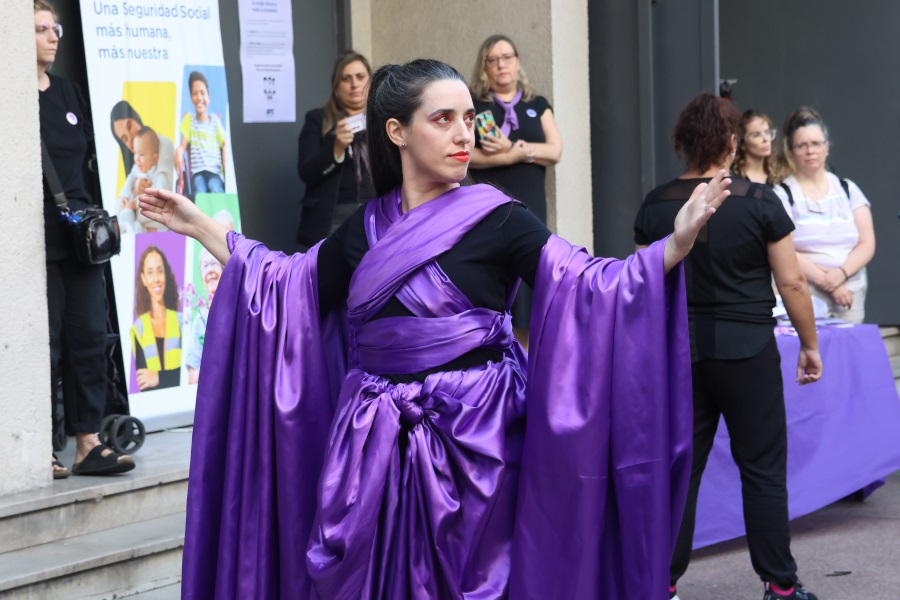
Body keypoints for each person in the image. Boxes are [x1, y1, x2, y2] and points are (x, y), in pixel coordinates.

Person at [140, 59, 731, 599]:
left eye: (468, 118)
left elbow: (590, 285)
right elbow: (286, 286)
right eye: (443, 119)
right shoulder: (363, 229)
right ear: (397, 132)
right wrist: (201, 228)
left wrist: (673, 246)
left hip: (479, 440)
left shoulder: (501, 218)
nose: (462, 134)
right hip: (371, 447)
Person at [633, 93, 823, 600]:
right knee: (762, 469)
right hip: (749, 350)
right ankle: (780, 585)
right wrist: (810, 345)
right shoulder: (761, 202)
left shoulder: (654, 204)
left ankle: (660, 583)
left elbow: (641, 286)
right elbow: (794, 285)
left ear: (683, 144)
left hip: (679, 355)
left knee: (681, 472)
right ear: (732, 142)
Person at [35, 0, 135, 477]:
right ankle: (40, 449)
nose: (54, 36)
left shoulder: (70, 95)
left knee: (90, 338)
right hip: (35, 242)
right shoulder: (13, 99)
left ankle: (88, 443)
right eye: (40, 30)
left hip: (80, 242)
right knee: (46, 346)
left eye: (55, 28)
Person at [468, 34, 562, 348]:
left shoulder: (536, 104)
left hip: (531, 206)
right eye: (492, 59)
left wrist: (517, 149)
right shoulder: (475, 105)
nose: (501, 65)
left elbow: (555, 150)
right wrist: (510, 155)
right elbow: (467, 156)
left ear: (517, 61)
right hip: (490, 208)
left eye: (507, 57)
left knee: (533, 289)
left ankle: (530, 367)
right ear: (484, 67)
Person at [773, 107, 875, 324]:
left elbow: (867, 243)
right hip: (804, 294)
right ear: (791, 151)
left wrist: (841, 274)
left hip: (851, 294)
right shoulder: (783, 195)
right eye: (802, 145)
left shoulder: (848, 190)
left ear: (827, 146)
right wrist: (828, 282)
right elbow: (785, 250)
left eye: (816, 143)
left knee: (848, 354)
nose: (810, 151)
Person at [296, 50, 374, 249]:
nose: (354, 84)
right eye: (346, 79)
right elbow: (306, 172)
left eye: (360, 77)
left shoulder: (385, 119)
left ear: (371, 81)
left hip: (377, 210)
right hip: (333, 215)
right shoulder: (317, 119)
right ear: (336, 87)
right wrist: (336, 148)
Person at [185, 210, 233, 384]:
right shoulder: (200, 320)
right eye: (205, 267)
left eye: (214, 264)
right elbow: (192, 377)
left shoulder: (243, 306)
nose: (210, 271)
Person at [130, 246, 182, 391]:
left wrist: (159, 377)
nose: (156, 279)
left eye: (160, 271)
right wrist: (172, 377)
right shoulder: (138, 329)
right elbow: (143, 382)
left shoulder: (182, 322)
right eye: (150, 273)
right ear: (143, 279)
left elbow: (191, 374)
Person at [175, 70, 227, 195]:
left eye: (202, 93)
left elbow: (225, 143)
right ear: (191, 98)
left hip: (215, 171)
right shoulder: (189, 121)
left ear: (209, 97)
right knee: (200, 190)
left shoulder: (215, 121)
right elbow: (182, 146)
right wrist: (178, 152)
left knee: (214, 186)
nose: (199, 97)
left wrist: (226, 166)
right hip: (198, 172)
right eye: (195, 94)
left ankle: (220, 214)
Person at [109, 100, 175, 186]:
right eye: (125, 139)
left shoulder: (163, 143)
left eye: (129, 127)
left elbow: (164, 187)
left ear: (137, 116)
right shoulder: (135, 167)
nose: (131, 137)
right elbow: (122, 197)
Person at [117, 126, 170, 233]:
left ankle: (129, 226)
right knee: (117, 208)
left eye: (141, 155)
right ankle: (125, 225)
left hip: (139, 209)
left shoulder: (154, 173)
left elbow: (157, 194)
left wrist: (134, 203)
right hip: (130, 205)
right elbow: (128, 182)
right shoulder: (136, 169)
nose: (137, 158)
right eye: (135, 153)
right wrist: (124, 197)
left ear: (154, 159)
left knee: (132, 222)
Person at [733, 109, 778, 185]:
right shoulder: (734, 178)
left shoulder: (777, 176)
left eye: (767, 132)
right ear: (742, 144)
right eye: (756, 135)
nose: (766, 139)